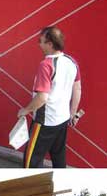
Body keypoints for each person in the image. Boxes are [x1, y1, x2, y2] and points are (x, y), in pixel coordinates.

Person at [18, 26, 81, 168]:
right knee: (59, 158)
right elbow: (77, 88)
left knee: (31, 162)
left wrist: (25, 110)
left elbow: (42, 97)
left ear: (50, 44)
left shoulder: (46, 65)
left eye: (40, 41)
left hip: (44, 122)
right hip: (62, 120)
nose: (39, 44)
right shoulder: (71, 62)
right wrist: (72, 114)